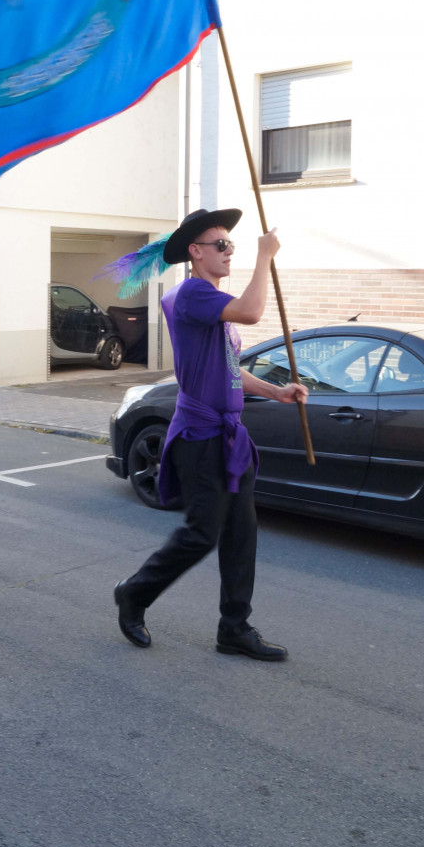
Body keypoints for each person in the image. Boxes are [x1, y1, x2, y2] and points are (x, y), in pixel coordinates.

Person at [114, 207, 308, 660]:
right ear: (196, 252)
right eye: (220, 244)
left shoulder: (212, 304)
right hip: (201, 435)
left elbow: (230, 368)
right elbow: (253, 311)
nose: (228, 251)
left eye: (230, 244)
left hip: (229, 436)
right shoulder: (194, 294)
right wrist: (265, 256)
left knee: (242, 532)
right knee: (202, 533)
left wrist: (277, 391)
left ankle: (234, 628)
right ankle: (134, 593)